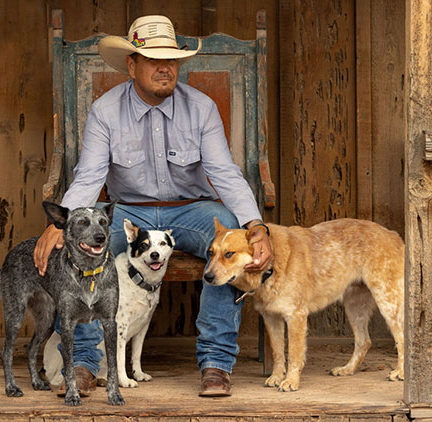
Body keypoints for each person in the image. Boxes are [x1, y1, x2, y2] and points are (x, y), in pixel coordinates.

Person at [33, 15, 272, 398]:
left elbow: (225, 174)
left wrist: (255, 226)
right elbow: (89, 176)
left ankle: (215, 363)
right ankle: (83, 364)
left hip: (188, 210)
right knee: (76, 242)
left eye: (171, 60)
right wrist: (63, 225)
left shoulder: (202, 108)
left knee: (231, 234)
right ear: (132, 65)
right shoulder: (106, 111)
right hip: (127, 211)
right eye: (153, 59)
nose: (165, 68)